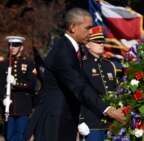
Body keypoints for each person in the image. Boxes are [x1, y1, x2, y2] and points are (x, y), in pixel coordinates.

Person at [23, 8, 125, 141]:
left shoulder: (74, 51)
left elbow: (86, 83)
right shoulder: (63, 52)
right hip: (54, 121)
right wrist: (109, 110)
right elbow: (79, 86)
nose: (90, 32)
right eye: (87, 28)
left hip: (66, 119)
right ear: (73, 27)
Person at [77, 26, 117, 141]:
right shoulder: (81, 65)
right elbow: (77, 94)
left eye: (102, 41)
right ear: (88, 44)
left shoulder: (109, 65)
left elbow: (115, 91)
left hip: (111, 124)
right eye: (97, 41)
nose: (101, 44)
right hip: (91, 123)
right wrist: (80, 120)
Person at [0, 36, 37, 141]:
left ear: (21, 47)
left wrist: (16, 83)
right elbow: (0, 84)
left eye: (16, 45)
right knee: (9, 135)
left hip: (23, 106)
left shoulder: (29, 64)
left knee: (21, 135)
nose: (13, 48)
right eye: (10, 45)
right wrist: (3, 98)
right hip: (8, 106)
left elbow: (32, 85)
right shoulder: (3, 65)